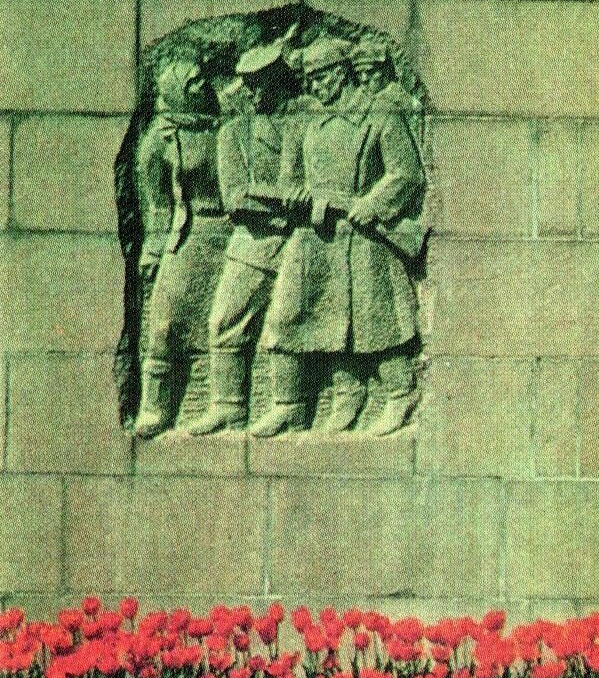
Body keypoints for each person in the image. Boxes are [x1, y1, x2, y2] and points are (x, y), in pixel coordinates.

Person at [253, 37, 426, 438]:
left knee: (375, 321)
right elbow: (290, 179)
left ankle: (400, 394)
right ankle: (295, 405)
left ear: (343, 72)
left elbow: (407, 173)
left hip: (364, 237)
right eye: (310, 79)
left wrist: (373, 203)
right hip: (315, 234)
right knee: (291, 314)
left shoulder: (379, 114)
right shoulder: (305, 122)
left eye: (322, 76)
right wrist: (295, 196)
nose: (315, 86)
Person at [185, 35, 301, 435]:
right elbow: (235, 199)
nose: (251, 93)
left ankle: (290, 406)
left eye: (258, 84)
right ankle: (229, 407)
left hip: (305, 240)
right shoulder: (234, 133)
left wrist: (278, 197)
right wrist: (288, 201)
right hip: (254, 243)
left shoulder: (304, 126)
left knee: (288, 325)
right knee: (225, 320)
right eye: (247, 85)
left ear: (277, 81)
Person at [132, 57, 225, 437]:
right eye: (193, 82)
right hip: (190, 234)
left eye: (203, 79)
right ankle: (154, 405)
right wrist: (154, 250)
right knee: (164, 320)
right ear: (177, 90)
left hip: (235, 234)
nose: (203, 87)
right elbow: (158, 205)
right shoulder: (161, 139)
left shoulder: (223, 127)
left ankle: (224, 404)